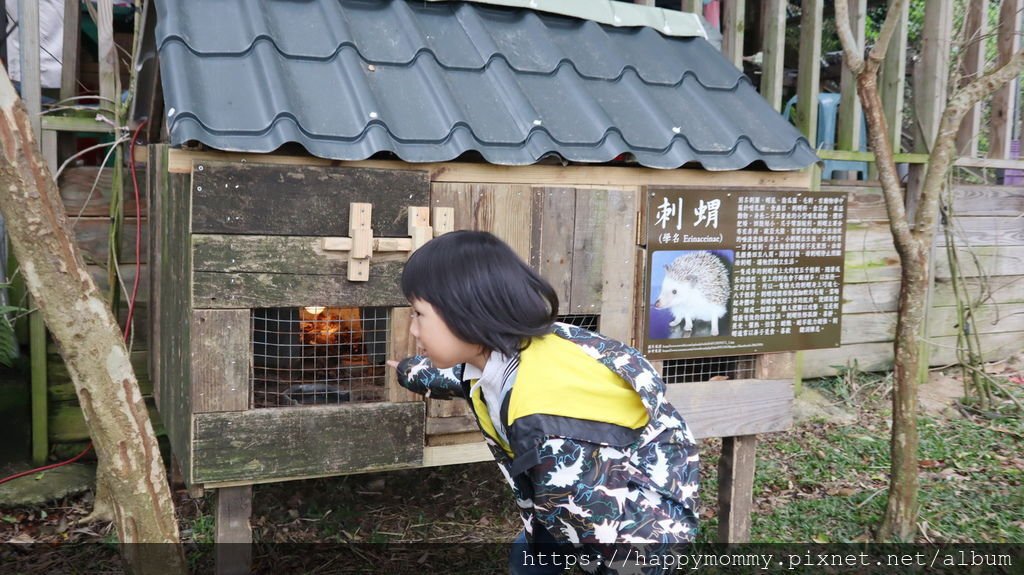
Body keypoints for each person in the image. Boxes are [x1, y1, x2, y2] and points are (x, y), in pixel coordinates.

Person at [387, 230, 699, 574]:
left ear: (465, 312)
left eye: (418, 314)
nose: (413, 329)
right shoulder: (514, 350)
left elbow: (606, 534)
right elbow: (463, 378)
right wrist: (409, 371)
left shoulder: (549, 427)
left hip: (636, 531)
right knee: (532, 552)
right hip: (565, 503)